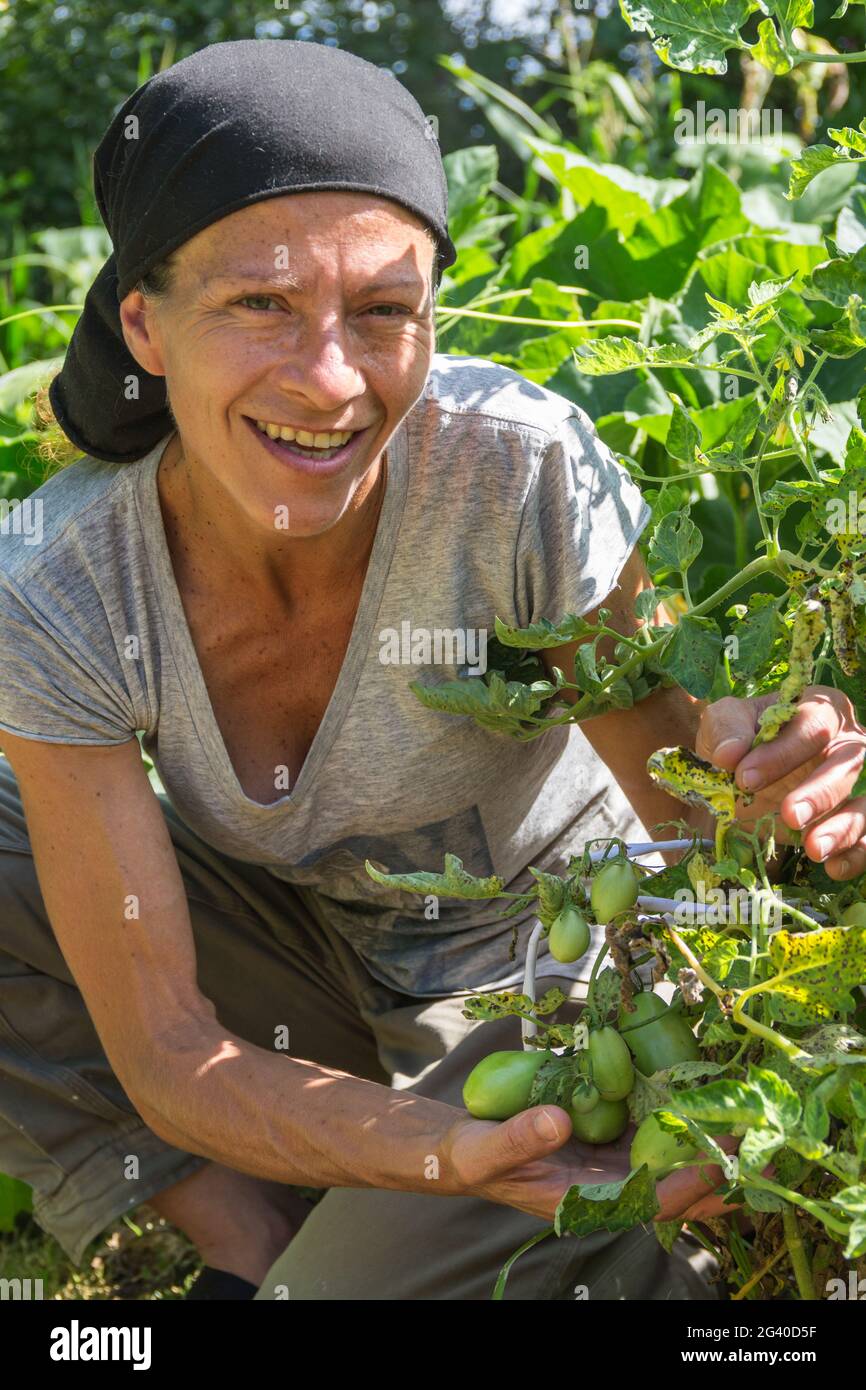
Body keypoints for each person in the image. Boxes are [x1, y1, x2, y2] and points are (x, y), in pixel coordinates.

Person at [0, 39, 863, 1303]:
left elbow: (690, 819)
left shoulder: (516, 476)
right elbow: (173, 1046)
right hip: (318, 966)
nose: (331, 380)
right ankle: (254, 1251)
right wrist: (445, 1155)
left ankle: (549, 1230)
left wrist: (771, 764)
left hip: (558, 981)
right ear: (145, 321)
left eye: (383, 310)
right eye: (259, 305)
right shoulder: (65, 585)